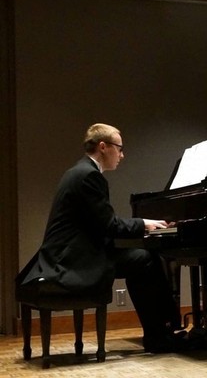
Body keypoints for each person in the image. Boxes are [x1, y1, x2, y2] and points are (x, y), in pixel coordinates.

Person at [16, 123, 186, 353]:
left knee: (142, 258)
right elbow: (108, 225)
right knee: (145, 260)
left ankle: (161, 332)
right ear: (103, 147)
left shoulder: (79, 171)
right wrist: (144, 224)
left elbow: (99, 224)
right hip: (73, 261)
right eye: (120, 148)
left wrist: (139, 225)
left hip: (68, 255)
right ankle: (160, 335)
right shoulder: (90, 176)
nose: (122, 155)